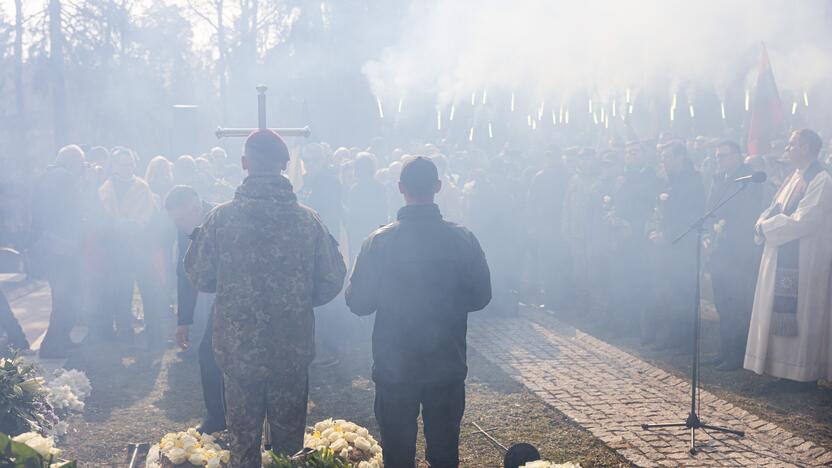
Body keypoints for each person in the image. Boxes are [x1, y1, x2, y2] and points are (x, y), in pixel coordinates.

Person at [185, 130, 346, 465]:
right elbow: (331, 280)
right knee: (289, 449)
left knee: (243, 445)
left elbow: (200, 276)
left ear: (244, 163)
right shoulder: (307, 220)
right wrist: (296, 300)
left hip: (239, 349)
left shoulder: (220, 219)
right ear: (286, 165)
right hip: (291, 347)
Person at [345, 156, 491, 468]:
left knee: (397, 455)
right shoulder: (463, 239)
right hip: (446, 362)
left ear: (400, 188)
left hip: (395, 366)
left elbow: (358, 303)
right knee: (444, 452)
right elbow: (482, 296)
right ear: (438, 187)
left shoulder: (379, 241)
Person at [745, 129, 832, 387]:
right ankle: (782, 369)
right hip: (781, 251)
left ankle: (801, 373)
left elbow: (806, 220)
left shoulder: (821, 179)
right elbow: (775, 207)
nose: (786, 150)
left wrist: (766, 227)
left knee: (803, 313)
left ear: (805, 148)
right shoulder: (794, 176)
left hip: (805, 258)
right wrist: (762, 222)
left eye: (791, 145)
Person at [164, 185, 224, 433]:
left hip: (244, 295)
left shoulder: (222, 219)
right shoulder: (187, 226)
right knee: (209, 354)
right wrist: (184, 320)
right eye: (174, 220)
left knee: (217, 354)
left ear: (195, 208)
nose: (177, 225)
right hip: (222, 297)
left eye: (180, 219)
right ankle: (218, 416)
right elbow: (185, 272)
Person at [703, 140, 763, 370]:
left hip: (738, 252)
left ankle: (737, 354)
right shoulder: (719, 180)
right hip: (719, 250)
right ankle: (724, 350)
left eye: (724, 156)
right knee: (722, 303)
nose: (720, 160)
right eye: (717, 156)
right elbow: (710, 210)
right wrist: (709, 234)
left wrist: (724, 231)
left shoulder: (750, 179)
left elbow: (747, 213)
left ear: (738, 156)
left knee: (737, 304)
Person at [30, 145, 89, 358]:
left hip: (52, 246)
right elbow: (78, 209)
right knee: (67, 298)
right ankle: (53, 345)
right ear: (74, 161)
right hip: (64, 248)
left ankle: (61, 339)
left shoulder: (47, 177)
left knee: (63, 297)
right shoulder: (66, 179)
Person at [646, 141, 705, 353]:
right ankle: (668, 337)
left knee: (683, 294)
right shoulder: (666, 182)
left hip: (682, 248)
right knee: (664, 293)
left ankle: (685, 341)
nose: (664, 161)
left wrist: (668, 235)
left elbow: (691, 216)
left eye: (668, 157)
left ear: (681, 157)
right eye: (662, 157)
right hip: (662, 246)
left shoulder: (694, 182)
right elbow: (656, 209)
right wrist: (652, 230)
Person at [96, 147, 156, 343]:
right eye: (124, 164)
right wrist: (115, 225)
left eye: (131, 164)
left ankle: (153, 332)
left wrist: (134, 225)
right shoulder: (105, 188)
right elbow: (102, 217)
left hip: (139, 248)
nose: (128, 168)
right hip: (116, 251)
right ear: (114, 166)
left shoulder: (142, 187)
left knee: (147, 291)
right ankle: (125, 333)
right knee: (121, 293)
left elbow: (148, 215)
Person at [607, 141, 662, 339]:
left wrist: (635, 226)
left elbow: (653, 207)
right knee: (623, 282)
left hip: (641, 237)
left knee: (643, 283)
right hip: (622, 236)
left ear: (644, 154)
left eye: (635, 152)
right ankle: (625, 324)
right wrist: (616, 220)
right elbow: (615, 201)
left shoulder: (651, 177)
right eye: (628, 152)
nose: (631, 155)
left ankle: (646, 329)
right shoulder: (622, 178)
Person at [345, 152, 388, 265]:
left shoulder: (355, 189)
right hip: (375, 232)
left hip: (358, 234)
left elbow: (352, 215)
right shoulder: (380, 188)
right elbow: (384, 213)